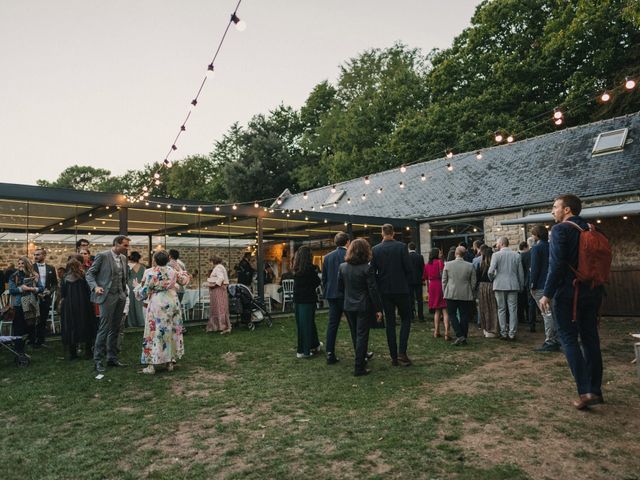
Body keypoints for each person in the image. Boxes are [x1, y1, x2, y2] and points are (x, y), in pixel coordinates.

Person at [539, 195, 607, 410]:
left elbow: (557, 265)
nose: (552, 211)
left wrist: (547, 293)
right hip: (593, 291)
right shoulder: (592, 228)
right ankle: (595, 389)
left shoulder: (560, 230)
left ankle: (585, 391)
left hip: (570, 293)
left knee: (568, 339)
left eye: (555, 207)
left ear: (567, 209)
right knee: (590, 339)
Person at [134, 250, 189, 374]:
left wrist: (137, 287)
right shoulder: (172, 271)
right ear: (167, 260)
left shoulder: (151, 273)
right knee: (171, 330)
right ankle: (170, 362)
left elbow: (143, 293)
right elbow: (185, 281)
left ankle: (151, 365)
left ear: (154, 260)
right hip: (172, 301)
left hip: (158, 303)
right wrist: (180, 270)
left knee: (155, 331)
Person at [338, 238, 383, 376]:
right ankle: (359, 367)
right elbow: (373, 290)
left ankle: (361, 361)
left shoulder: (342, 267)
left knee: (355, 334)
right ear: (365, 251)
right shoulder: (367, 268)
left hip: (349, 305)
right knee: (362, 335)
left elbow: (340, 288)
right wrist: (378, 309)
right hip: (363, 305)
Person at [86, 235, 130, 373]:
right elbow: (90, 274)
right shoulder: (102, 256)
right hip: (106, 296)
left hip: (120, 296)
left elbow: (123, 276)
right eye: (125, 245)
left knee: (115, 328)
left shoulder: (123, 258)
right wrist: (95, 287)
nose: (127, 248)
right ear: (117, 244)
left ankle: (112, 358)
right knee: (104, 328)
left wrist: (124, 292)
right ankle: (98, 360)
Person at [370, 224, 413, 366]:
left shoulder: (376, 250)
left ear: (382, 233)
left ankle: (394, 356)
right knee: (406, 319)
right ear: (393, 233)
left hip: (385, 291)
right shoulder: (401, 247)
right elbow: (408, 268)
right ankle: (402, 352)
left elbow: (372, 272)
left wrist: (378, 286)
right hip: (401, 289)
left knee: (390, 323)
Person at [529, 225, 560, 352]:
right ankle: (557, 338)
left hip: (541, 284)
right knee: (553, 313)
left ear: (536, 235)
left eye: (532, 234)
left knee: (546, 314)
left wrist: (532, 284)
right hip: (553, 283)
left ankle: (550, 341)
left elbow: (535, 268)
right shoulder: (551, 246)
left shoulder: (537, 248)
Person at [488, 236, 524, 340]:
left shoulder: (496, 255)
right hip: (513, 284)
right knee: (513, 310)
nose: (496, 245)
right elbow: (520, 273)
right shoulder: (516, 255)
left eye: (497, 243)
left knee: (501, 309)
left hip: (499, 284)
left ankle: (503, 333)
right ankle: (512, 333)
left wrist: (493, 279)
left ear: (502, 244)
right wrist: (521, 285)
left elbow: (490, 271)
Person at [59, 256, 95, 360]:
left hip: (69, 306)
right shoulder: (84, 277)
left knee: (71, 328)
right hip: (84, 305)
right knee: (86, 326)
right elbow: (88, 291)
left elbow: (63, 293)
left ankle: (73, 353)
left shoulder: (65, 278)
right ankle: (88, 352)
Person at [322, 232, 350, 364]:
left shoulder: (327, 257)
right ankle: (362, 352)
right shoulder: (349, 255)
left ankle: (329, 353)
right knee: (354, 324)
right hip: (347, 294)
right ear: (347, 242)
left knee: (332, 325)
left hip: (332, 294)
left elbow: (325, 279)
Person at [8, 257, 43, 356]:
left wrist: (31, 288)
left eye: (22, 263)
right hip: (18, 305)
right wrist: (21, 289)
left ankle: (28, 344)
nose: (20, 265)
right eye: (19, 263)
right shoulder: (14, 276)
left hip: (31, 304)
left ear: (27, 264)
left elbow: (41, 288)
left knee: (30, 325)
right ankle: (18, 349)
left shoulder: (34, 275)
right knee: (18, 327)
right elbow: (12, 290)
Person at [442, 246, 477, 345]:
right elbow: (473, 282)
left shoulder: (448, 264)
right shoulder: (470, 265)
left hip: (451, 293)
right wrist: (470, 290)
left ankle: (459, 335)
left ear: (455, 253)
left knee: (452, 314)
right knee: (464, 315)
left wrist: (445, 291)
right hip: (465, 293)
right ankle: (463, 336)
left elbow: (444, 281)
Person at [293, 246, 322, 359]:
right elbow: (317, 282)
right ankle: (304, 351)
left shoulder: (296, 270)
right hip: (308, 300)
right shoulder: (310, 269)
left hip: (298, 300)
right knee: (307, 324)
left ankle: (314, 344)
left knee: (303, 324)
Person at [32, 248, 58, 348]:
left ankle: (41, 341)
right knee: (33, 319)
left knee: (43, 319)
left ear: (44, 255)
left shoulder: (51, 268)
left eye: (38, 254)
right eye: (35, 255)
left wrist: (49, 291)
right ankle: (32, 340)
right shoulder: (31, 267)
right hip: (33, 296)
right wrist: (36, 291)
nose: (35, 256)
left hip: (46, 297)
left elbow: (55, 284)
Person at [423, 248, 450, 339]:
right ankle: (447, 332)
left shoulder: (427, 265)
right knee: (445, 310)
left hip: (432, 286)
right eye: (439, 253)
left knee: (437, 310)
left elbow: (425, 278)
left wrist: (428, 289)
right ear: (436, 254)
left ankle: (436, 331)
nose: (441, 254)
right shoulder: (440, 263)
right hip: (440, 285)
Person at [477, 245, 499, 337]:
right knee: (493, 307)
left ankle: (486, 328)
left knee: (484, 308)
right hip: (491, 286)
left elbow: (477, 277)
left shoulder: (480, 264)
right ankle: (494, 328)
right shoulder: (493, 265)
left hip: (482, 287)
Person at [207, 255, 231, 334]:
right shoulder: (220, 267)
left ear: (213, 261)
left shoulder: (218, 268)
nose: (209, 263)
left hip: (218, 290)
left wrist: (214, 285)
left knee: (219, 307)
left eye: (210, 261)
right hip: (220, 289)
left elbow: (221, 278)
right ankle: (219, 326)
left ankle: (222, 326)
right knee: (220, 307)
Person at [407, 242, 425, 322]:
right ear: (415, 248)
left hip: (409, 281)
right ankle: (421, 316)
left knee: (410, 299)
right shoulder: (420, 257)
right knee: (419, 299)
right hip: (418, 280)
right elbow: (422, 269)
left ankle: (411, 316)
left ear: (408, 248)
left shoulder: (406, 257)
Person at [127, 252, 146, 328]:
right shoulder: (142, 267)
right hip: (139, 285)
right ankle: (140, 321)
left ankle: (131, 323)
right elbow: (144, 278)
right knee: (139, 304)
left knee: (130, 305)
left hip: (129, 286)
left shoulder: (128, 266)